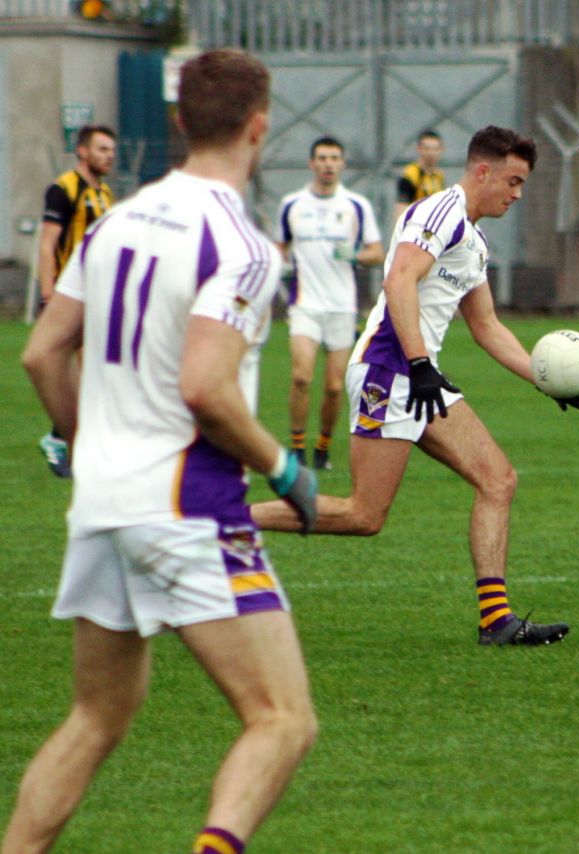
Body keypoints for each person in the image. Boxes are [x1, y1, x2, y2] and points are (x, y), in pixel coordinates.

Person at [5, 49, 318, 854]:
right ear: (260, 127)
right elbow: (208, 390)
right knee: (281, 720)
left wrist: (85, 441)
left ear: (178, 122)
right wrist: (285, 470)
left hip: (103, 504)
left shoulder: (114, 221)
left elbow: (42, 353)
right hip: (187, 506)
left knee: (96, 717)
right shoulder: (242, 245)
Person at [252, 125, 579, 646]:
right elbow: (398, 280)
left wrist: (546, 380)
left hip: (419, 377)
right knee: (364, 515)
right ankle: (221, 520)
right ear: (483, 171)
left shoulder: (474, 239)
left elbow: (487, 328)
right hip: (391, 371)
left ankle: (496, 621)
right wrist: (418, 363)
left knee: (498, 480)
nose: (517, 194)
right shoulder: (441, 212)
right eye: (513, 180)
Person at [276, 136, 385, 470]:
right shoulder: (292, 204)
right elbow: (280, 248)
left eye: (334, 158)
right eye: (322, 157)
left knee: (336, 387)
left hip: (341, 306)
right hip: (305, 305)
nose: (328, 163)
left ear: (342, 164)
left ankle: (322, 447)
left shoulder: (355, 205)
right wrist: (281, 265)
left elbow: (377, 252)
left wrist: (354, 254)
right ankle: (296, 448)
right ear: (311, 163)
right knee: (301, 377)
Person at [36, 123, 116, 478]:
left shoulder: (105, 194)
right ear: (82, 151)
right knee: (86, 373)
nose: (108, 156)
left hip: (96, 296)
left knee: (95, 375)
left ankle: (66, 440)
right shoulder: (63, 189)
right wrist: (48, 292)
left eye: (111, 150)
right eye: (101, 149)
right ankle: (64, 441)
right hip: (70, 298)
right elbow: (47, 244)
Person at [393, 127, 445, 224]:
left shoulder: (439, 176)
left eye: (435, 149)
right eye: (427, 149)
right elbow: (401, 209)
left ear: (441, 150)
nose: (431, 153)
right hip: (415, 228)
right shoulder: (410, 175)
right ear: (419, 149)